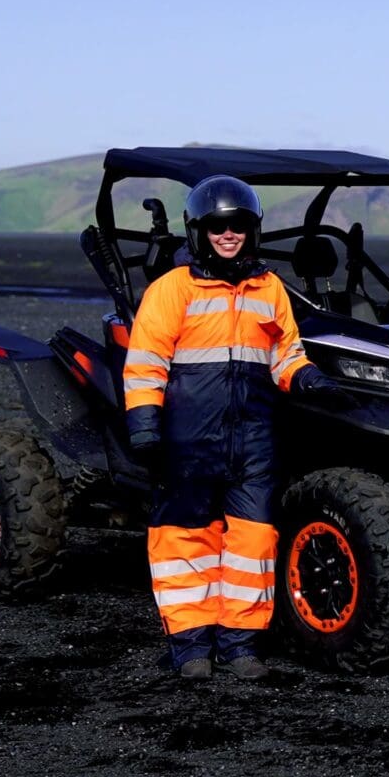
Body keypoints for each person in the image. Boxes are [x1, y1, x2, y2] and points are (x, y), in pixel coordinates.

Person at [122, 174, 337, 681]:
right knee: (184, 541)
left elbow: (286, 354)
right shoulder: (172, 290)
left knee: (253, 543)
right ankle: (190, 648)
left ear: (252, 230)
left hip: (255, 438)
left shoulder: (271, 290)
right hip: (189, 438)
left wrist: (306, 380)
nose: (228, 235)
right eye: (217, 227)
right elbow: (146, 361)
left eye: (238, 226)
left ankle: (240, 646)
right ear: (198, 231)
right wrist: (145, 426)